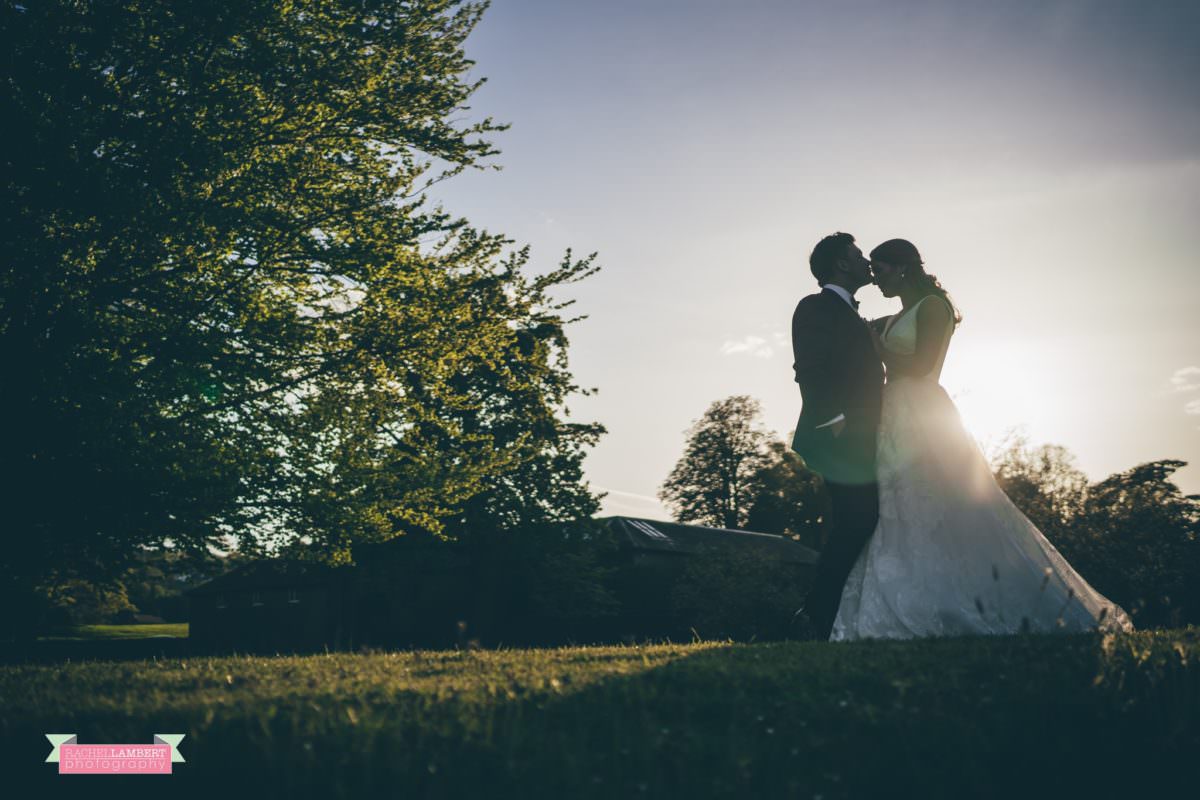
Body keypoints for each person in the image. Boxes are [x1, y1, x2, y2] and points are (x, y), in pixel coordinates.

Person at [829, 238, 1133, 639]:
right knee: (900, 507)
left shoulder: (934, 306)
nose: (875, 278)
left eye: (880, 269)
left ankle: (1002, 600)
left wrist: (877, 346)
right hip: (893, 415)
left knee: (948, 505)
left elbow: (921, 366)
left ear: (902, 267)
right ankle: (914, 594)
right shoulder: (898, 315)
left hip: (923, 413)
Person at [789, 232, 884, 640]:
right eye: (859, 255)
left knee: (859, 518)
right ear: (842, 264)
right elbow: (808, 368)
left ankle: (831, 614)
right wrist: (836, 421)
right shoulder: (813, 307)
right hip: (837, 435)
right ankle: (816, 613)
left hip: (863, 433)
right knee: (859, 518)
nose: (866, 262)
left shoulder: (852, 315)